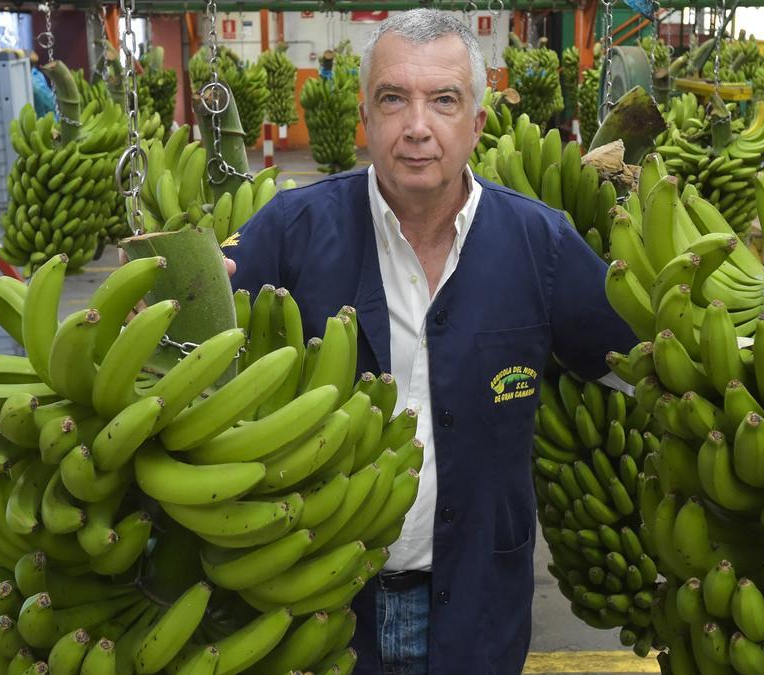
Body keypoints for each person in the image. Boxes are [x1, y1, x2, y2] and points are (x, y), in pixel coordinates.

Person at [225, 10, 637, 673]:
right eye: (394, 99)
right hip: (318, 615)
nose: (417, 126)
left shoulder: (541, 243)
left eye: (443, 100)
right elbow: (193, 348)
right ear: (366, 115)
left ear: (475, 123)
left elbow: (639, 358)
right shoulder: (290, 233)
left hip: (477, 617)